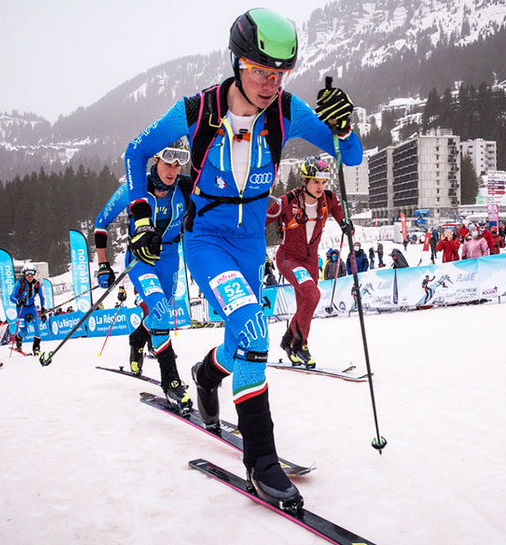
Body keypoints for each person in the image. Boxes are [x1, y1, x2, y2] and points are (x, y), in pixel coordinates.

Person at [123, 8, 363, 512]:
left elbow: (352, 156)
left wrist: (345, 125)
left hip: (254, 244)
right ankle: (261, 459)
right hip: (207, 240)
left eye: (280, 74)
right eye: (260, 71)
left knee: (242, 339)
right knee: (255, 327)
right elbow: (135, 152)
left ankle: (208, 375)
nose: (270, 83)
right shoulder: (197, 109)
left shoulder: (288, 111)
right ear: (237, 63)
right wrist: (141, 219)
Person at [94, 139, 193, 410]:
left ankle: (138, 338)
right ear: (154, 162)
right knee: (160, 310)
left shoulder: (185, 187)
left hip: (171, 257)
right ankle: (171, 380)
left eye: (178, 164)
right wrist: (103, 265)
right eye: (167, 163)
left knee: (157, 312)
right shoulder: (134, 189)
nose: (172, 170)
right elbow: (101, 223)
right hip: (141, 260)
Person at [266, 156, 352, 368]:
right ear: (305, 181)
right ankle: (300, 345)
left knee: (307, 303)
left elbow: (341, 213)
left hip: (311, 261)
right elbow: (261, 221)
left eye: (323, 182)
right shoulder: (288, 201)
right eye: (315, 182)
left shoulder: (329, 199)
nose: (320, 187)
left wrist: (346, 225)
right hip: (288, 259)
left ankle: (288, 341)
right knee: (313, 295)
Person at [9, 264, 46, 356]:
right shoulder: (19, 283)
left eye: (32, 273)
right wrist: (18, 301)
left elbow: (42, 298)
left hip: (32, 308)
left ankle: (36, 347)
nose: (29, 276)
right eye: (27, 274)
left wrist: (43, 310)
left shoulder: (36, 284)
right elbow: (11, 297)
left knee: (37, 326)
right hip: (21, 308)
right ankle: (18, 338)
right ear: (24, 274)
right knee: (24, 332)